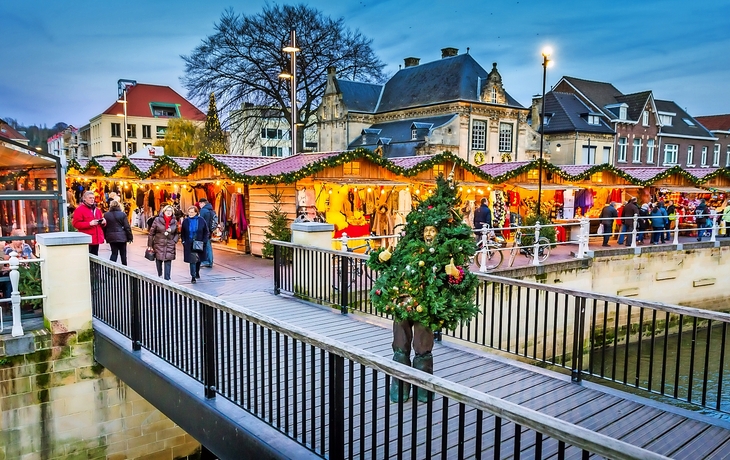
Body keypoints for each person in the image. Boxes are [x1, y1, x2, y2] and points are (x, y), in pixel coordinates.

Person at [390, 225, 438, 403]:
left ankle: (423, 392)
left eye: (432, 231)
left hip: (425, 306)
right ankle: (400, 391)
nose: (428, 234)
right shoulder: (408, 252)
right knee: (400, 346)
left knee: (423, 346)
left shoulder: (441, 253)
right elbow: (393, 270)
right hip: (403, 304)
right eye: (426, 230)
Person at [147, 205, 179, 281]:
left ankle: (167, 279)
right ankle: (160, 275)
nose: (169, 212)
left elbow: (177, 233)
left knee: (168, 260)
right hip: (159, 243)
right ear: (164, 211)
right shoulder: (157, 220)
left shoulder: (174, 221)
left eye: (170, 211)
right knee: (158, 260)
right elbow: (151, 233)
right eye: (167, 210)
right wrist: (150, 245)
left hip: (170, 243)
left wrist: (174, 240)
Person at [2, 229, 35, 299]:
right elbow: (6, 261)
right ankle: (10, 302)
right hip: (12, 270)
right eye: (19, 240)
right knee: (11, 280)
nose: (21, 242)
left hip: (27, 270)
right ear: (13, 240)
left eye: (23, 239)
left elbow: (33, 257)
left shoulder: (26, 246)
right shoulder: (8, 248)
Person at [181, 206, 210, 284]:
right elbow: (182, 232)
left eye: (192, 212)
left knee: (198, 259)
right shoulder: (185, 221)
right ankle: (193, 276)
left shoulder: (201, 220)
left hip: (199, 242)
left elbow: (206, 232)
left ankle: (197, 271)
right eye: (189, 212)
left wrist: (204, 241)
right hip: (189, 243)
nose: (190, 214)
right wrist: (183, 241)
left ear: (196, 212)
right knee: (192, 260)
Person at [72, 190, 106, 255]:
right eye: (90, 198)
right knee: (87, 259)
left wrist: (103, 222)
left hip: (96, 239)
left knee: (95, 258)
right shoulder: (79, 210)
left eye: (93, 198)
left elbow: (101, 224)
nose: (92, 199)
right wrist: (89, 224)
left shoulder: (97, 210)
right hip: (87, 240)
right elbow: (75, 224)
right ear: (84, 199)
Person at [103, 200, 133, 266]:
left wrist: (105, 236)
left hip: (111, 237)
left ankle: (110, 269)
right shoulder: (122, 214)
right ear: (119, 206)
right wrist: (130, 237)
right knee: (123, 254)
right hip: (122, 237)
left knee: (114, 254)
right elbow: (127, 227)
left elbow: (104, 227)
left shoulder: (106, 215)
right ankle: (125, 269)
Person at [197, 198, 217, 268]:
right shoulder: (211, 210)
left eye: (199, 203)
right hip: (209, 231)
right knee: (208, 246)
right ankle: (210, 261)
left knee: (205, 247)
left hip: (204, 231)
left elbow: (201, 222)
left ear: (203, 203)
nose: (199, 205)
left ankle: (206, 262)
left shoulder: (203, 210)